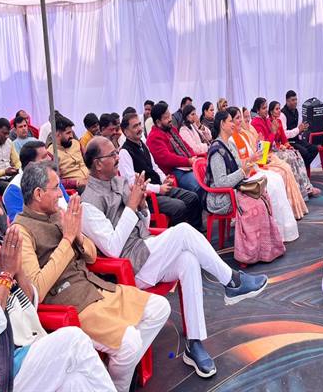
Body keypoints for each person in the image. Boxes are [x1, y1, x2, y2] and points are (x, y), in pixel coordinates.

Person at [80, 136, 269, 378]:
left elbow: (142, 226)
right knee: (183, 232)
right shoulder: (88, 204)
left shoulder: (118, 181)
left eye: (117, 152)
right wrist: (131, 206)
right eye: (112, 155)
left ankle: (194, 343)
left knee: (188, 260)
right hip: (126, 269)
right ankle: (232, 281)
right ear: (97, 163)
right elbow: (113, 248)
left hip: (144, 251)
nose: (118, 157)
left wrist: (141, 206)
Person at [0, 173, 116, 391]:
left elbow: (30, 302)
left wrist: (17, 271)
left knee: (77, 382)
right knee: (75, 340)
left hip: (24, 349)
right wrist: (5, 276)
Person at [14, 162, 169, 391]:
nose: (61, 194)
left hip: (95, 287)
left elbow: (91, 255)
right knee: (130, 343)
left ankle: (110, 377)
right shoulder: (21, 231)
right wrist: (67, 240)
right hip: (70, 303)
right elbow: (36, 287)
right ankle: (119, 385)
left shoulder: (57, 215)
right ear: (38, 194)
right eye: (56, 188)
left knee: (160, 308)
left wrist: (76, 235)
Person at [207, 112, 285, 262]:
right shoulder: (217, 151)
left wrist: (251, 161)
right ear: (222, 124)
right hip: (220, 197)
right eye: (231, 121)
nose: (234, 124)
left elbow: (238, 167)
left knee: (263, 196)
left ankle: (264, 248)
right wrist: (243, 171)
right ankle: (249, 253)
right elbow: (221, 183)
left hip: (233, 189)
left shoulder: (229, 144)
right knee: (256, 205)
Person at [119, 113, 203, 230]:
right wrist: (159, 189)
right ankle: (177, 237)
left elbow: (154, 167)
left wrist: (164, 179)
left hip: (159, 189)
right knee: (179, 207)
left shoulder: (142, 145)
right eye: (135, 126)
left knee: (192, 197)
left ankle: (196, 232)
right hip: (146, 199)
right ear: (126, 132)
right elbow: (133, 185)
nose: (139, 129)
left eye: (139, 124)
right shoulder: (124, 153)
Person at [227, 106, 299, 242]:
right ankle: (272, 231)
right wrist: (254, 156)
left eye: (242, 117)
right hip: (245, 177)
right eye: (238, 118)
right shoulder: (231, 140)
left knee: (278, 179)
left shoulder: (243, 134)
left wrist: (259, 145)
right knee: (273, 184)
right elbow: (240, 164)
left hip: (255, 169)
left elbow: (257, 155)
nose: (242, 120)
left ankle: (283, 230)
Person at [240, 106, 308, 219]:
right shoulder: (254, 125)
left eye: (248, 117)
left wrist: (286, 146)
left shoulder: (253, 127)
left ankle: (303, 192)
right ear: (258, 110)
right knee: (285, 168)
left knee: (293, 157)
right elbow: (264, 147)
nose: (247, 119)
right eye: (243, 117)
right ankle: (284, 211)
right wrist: (272, 134)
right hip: (261, 160)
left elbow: (266, 144)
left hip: (265, 155)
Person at [253, 98, 320, 199]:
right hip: (267, 154)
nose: (266, 110)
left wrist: (288, 147)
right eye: (263, 108)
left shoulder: (267, 120)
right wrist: (274, 133)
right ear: (257, 110)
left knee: (296, 154)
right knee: (291, 157)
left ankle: (306, 187)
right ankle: (299, 190)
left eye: (266, 107)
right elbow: (264, 146)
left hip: (274, 149)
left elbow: (282, 139)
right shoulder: (257, 122)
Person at [147, 102, 203, 199]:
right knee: (199, 185)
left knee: (208, 178)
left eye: (170, 115)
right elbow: (167, 158)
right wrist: (188, 161)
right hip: (174, 172)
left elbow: (186, 145)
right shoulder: (154, 137)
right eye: (166, 117)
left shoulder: (171, 129)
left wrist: (193, 157)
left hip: (186, 166)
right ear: (158, 122)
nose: (170, 119)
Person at [4, 140, 70, 222]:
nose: (50, 158)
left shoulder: (52, 178)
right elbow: (20, 223)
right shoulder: (14, 190)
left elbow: (68, 203)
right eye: (44, 157)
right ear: (31, 165)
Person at [48, 112, 89, 194]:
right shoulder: (51, 153)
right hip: (76, 189)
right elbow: (55, 181)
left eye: (71, 132)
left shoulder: (76, 143)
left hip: (90, 180)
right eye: (68, 133)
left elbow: (88, 161)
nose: (72, 136)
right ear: (58, 134)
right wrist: (76, 183)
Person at [281, 90, 319, 168]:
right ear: (287, 101)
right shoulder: (282, 114)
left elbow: (296, 129)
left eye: (296, 99)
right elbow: (284, 134)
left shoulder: (296, 111)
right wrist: (298, 130)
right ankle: (301, 169)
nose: (295, 102)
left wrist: (302, 129)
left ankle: (302, 168)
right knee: (304, 152)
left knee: (314, 149)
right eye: (293, 100)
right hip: (288, 142)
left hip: (296, 140)